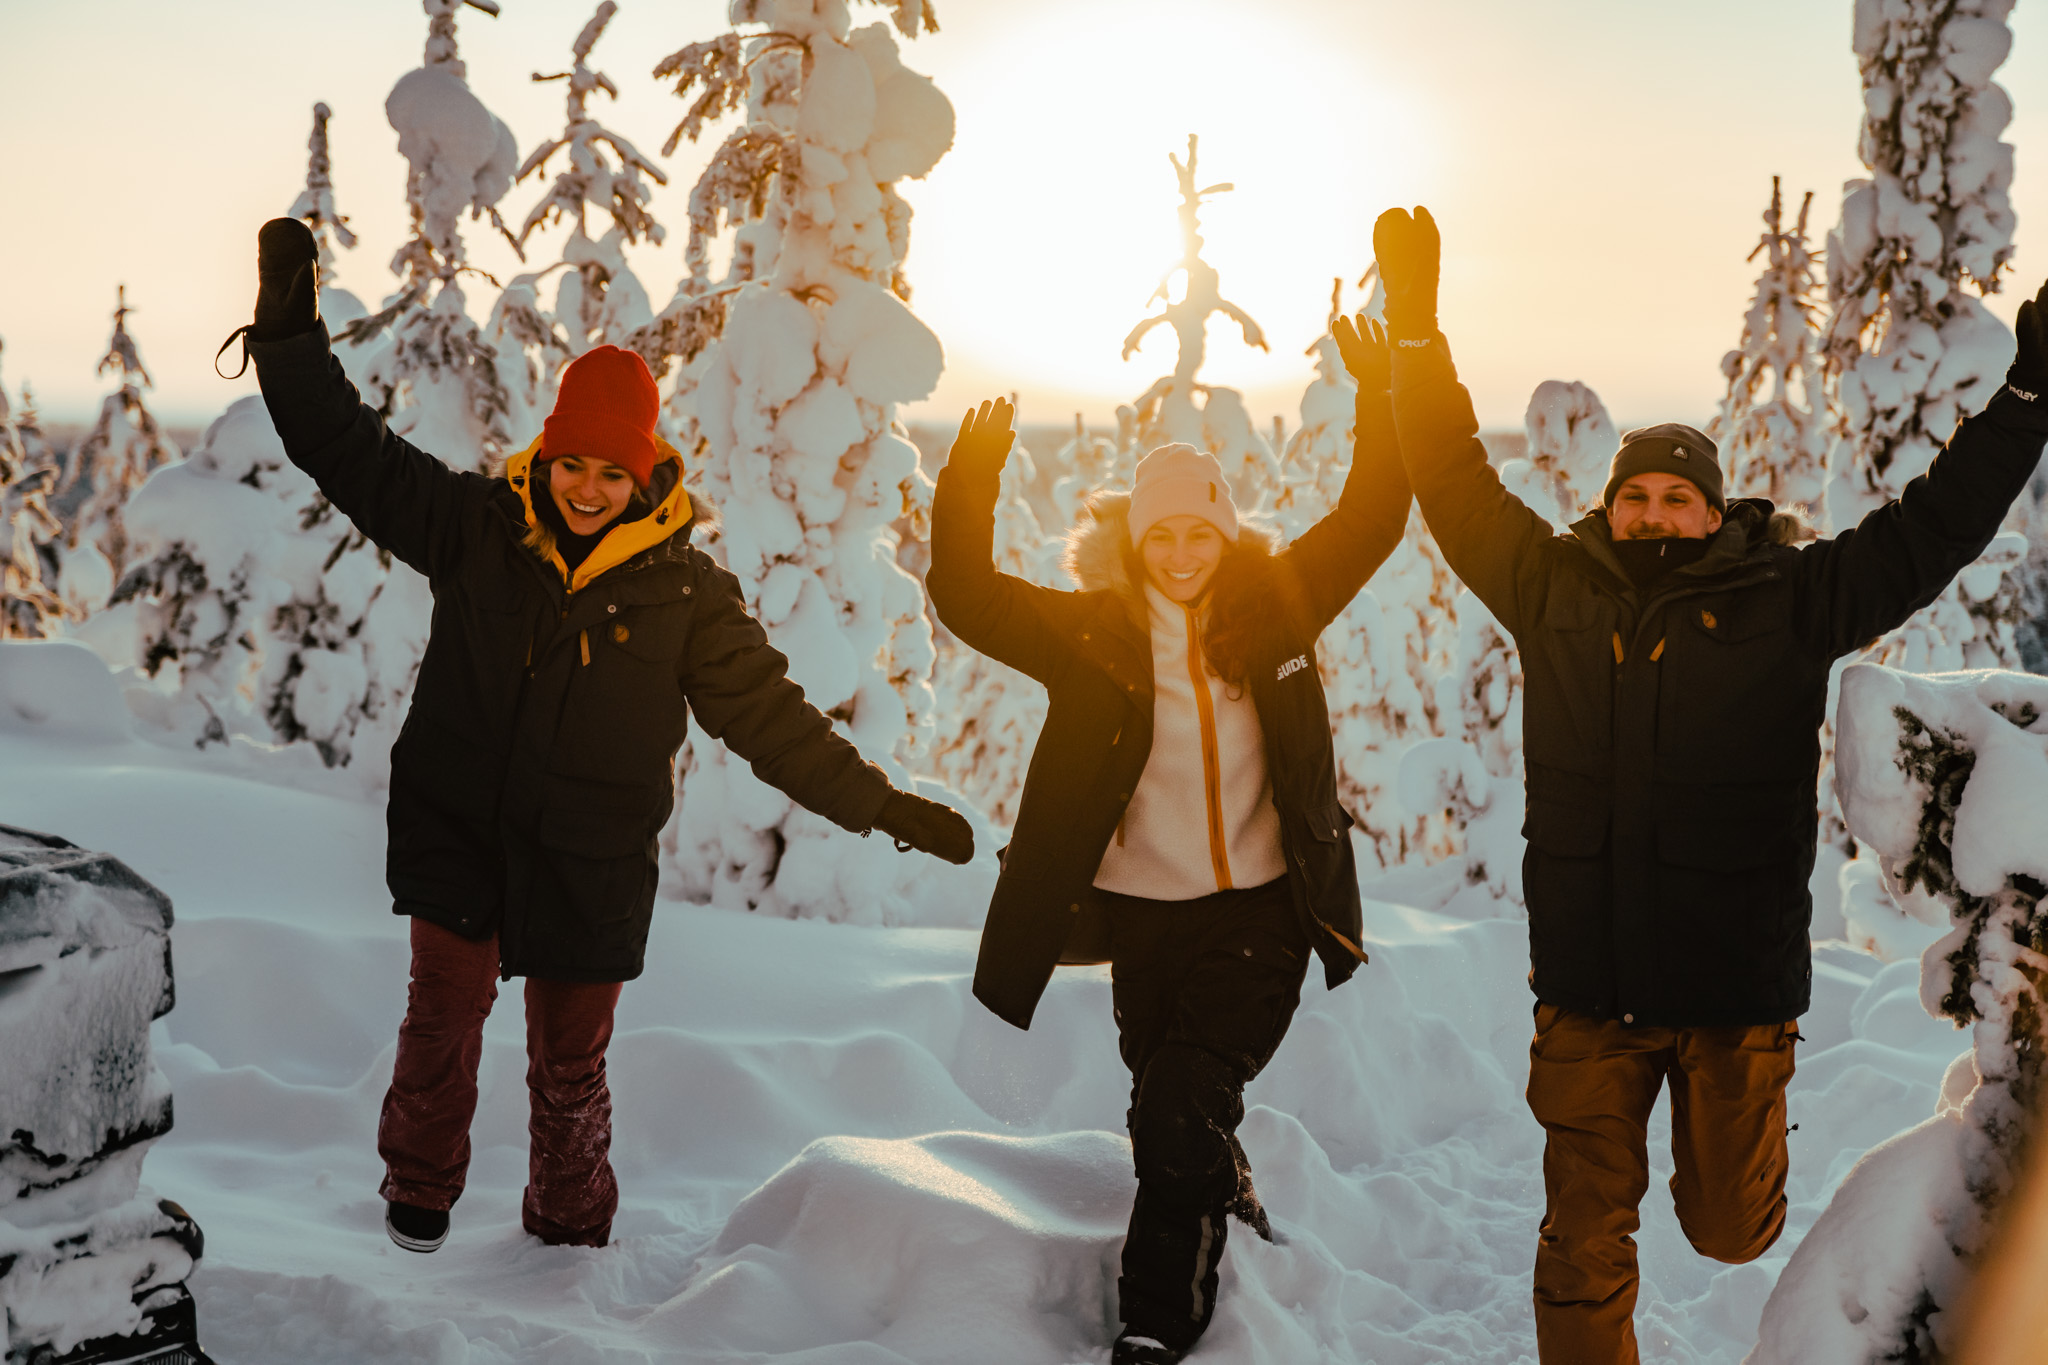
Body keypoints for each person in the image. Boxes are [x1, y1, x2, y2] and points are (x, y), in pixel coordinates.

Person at [1369, 204, 2048, 1365]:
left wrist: (2025, 406)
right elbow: (1448, 480)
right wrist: (1418, 343)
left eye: (1672, 496)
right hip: (1587, 988)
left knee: (1728, 1227)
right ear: (1609, 506)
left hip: (1733, 994)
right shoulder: (1552, 592)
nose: (1649, 512)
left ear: (1712, 507)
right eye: (1632, 496)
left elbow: (1929, 530)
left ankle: (1739, 1164)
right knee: (1581, 1241)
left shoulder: (1786, 602)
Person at [230, 218, 973, 1254]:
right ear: (549, 456)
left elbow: (772, 723)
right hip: (460, 835)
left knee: (569, 1066)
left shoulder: (685, 596)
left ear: (645, 477)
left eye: (609, 473)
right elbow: (340, 448)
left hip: (588, 861)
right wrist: (287, 326)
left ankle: (569, 1223)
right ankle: (420, 1188)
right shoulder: (479, 530)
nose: (586, 487)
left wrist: (880, 808)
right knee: (439, 1024)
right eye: (572, 464)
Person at [924, 320, 1411, 1365]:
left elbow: (1372, 517)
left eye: (1199, 533)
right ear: (1133, 541)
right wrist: (969, 480)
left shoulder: (1274, 612)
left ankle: (1155, 1324)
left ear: (1224, 535)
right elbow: (965, 597)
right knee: (1166, 1103)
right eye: (1161, 536)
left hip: (1264, 911)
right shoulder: (1089, 636)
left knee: (1182, 1099)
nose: (1181, 555)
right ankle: (1222, 1188)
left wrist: (1379, 397)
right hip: (1142, 921)